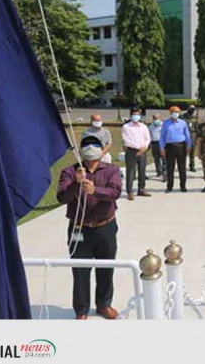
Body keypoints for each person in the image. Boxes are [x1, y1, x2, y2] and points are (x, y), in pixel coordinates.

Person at [57, 134, 122, 319]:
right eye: (87, 146)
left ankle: (104, 304)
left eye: (95, 146)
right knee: (80, 270)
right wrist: (76, 185)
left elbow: (115, 192)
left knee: (106, 267)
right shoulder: (69, 172)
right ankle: (81, 309)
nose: (91, 149)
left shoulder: (111, 170)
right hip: (79, 228)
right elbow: (62, 198)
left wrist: (96, 190)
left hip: (105, 226)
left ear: (102, 151)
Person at [160, 106, 192, 193]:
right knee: (170, 167)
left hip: (181, 146)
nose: (176, 113)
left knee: (182, 167)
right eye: (174, 112)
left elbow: (187, 135)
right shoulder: (166, 123)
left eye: (177, 112)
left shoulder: (183, 123)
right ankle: (169, 186)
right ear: (170, 113)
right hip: (170, 146)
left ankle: (183, 185)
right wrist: (161, 147)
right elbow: (162, 136)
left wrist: (189, 145)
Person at [121, 108, 151, 200]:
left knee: (142, 170)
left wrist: (144, 147)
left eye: (138, 115)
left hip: (143, 151)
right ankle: (130, 191)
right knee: (130, 171)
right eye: (134, 115)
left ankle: (141, 189)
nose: (136, 116)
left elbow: (147, 138)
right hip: (131, 151)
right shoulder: (126, 127)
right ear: (131, 115)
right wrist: (138, 147)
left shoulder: (143, 126)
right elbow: (127, 140)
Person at [182, 105, 198, 172]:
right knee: (184, 151)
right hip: (185, 135)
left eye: (193, 109)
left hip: (193, 135)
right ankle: (182, 166)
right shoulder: (183, 118)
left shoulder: (194, 118)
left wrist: (196, 136)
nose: (192, 111)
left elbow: (197, 128)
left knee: (192, 151)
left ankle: (192, 165)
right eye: (191, 109)